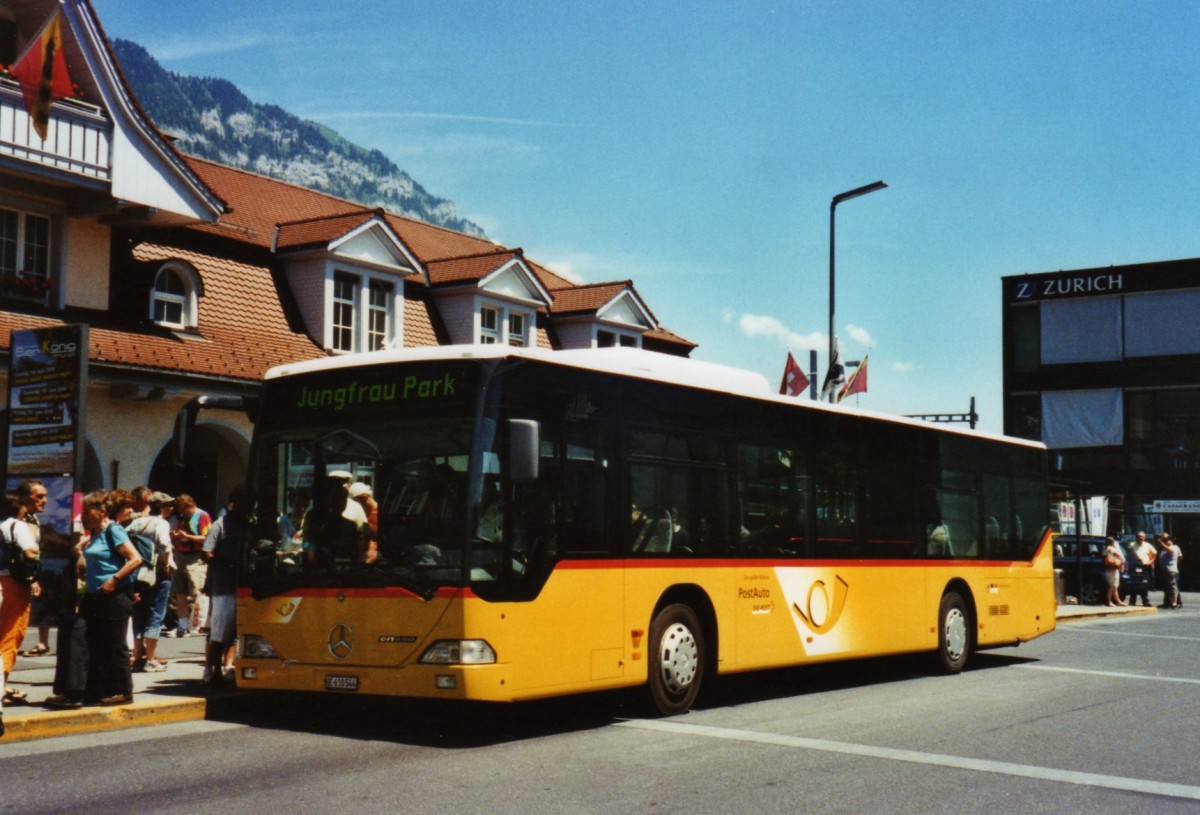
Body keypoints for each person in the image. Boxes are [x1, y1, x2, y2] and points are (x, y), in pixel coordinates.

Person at [79, 490, 141, 706]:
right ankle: (97, 689)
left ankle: (123, 691)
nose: (83, 515)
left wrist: (114, 580)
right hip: (95, 595)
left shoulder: (113, 530)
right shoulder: (94, 533)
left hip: (114, 595)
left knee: (115, 645)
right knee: (95, 643)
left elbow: (135, 559)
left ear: (102, 511)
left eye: (87, 512)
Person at [202, 486, 252, 686]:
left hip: (243, 586)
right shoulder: (219, 525)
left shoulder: (248, 525)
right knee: (218, 633)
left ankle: (228, 666)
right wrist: (228, 567)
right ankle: (213, 670)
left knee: (234, 632)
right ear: (233, 504)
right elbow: (207, 553)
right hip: (223, 587)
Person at [0, 489, 40, 716]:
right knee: (11, 636)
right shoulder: (18, 526)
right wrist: (33, 574)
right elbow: (30, 551)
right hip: (14, 584)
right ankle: (2, 686)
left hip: (0, 582)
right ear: (19, 506)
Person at [126, 489, 175, 673]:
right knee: (156, 615)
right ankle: (151, 659)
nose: (170, 508)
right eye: (168, 505)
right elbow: (164, 544)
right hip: (158, 573)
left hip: (139, 574)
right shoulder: (161, 523)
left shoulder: (136, 522)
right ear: (161, 507)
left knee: (139, 613)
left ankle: (138, 657)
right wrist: (167, 562)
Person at [16, 479, 51, 659]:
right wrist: (32, 578)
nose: (44, 500)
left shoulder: (33, 519)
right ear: (23, 498)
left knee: (17, 630)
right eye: (39, 496)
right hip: (15, 580)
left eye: (45, 496)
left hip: (26, 578)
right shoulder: (16, 520)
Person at [168, 494, 210, 638]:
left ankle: (196, 625)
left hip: (195, 557)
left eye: (183, 509)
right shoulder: (183, 517)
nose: (182, 512)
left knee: (196, 591)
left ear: (189, 505)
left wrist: (188, 536)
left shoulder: (202, 515)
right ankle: (182, 625)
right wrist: (176, 536)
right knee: (180, 592)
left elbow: (206, 537)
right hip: (181, 556)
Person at [1131, 532, 1156, 607]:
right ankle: (1132, 601)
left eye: (1142, 537)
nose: (1140, 538)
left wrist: (1150, 561)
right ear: (1136, 537)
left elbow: (1155, 553)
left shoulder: (1148, 545)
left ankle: (1145, 601)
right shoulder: (1131, 545)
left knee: (1144, 585)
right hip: (1135, 567)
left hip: (1145, 567)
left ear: (1144, 538)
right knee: (1134, 584)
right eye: (1139, 536)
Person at [1159, 536, 1183, 609]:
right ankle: (1168, 602)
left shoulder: (1173, 547)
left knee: (1173, 587)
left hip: (1171, 570)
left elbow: (1171, 551)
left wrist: (1161, 543)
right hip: (1166, 570)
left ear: (1171, 541)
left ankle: (1174, 603)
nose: (1166, 542)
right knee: (1168, 588)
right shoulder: (1164, 548)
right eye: (1164, 540)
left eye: (1167, 540)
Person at [1102, 536, 1126, 607]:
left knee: (1114, 587)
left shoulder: (1105, 549)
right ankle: (1109, 601)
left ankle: (1118, 601)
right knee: (1113, 586)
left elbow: (1103, 556)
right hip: (1113, 569)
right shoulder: (1112, 548)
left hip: (1108, 569)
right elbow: (1119, 556)